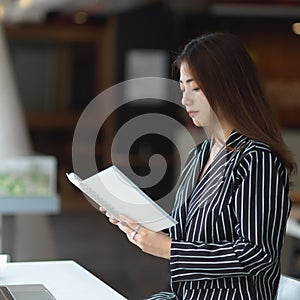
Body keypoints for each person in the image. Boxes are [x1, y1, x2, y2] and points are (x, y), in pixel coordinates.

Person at [101, 32, 296, 299]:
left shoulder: (257, 159)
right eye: (182, 89)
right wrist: (139, 221)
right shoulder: (201, 154)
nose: (185, 101)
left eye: (195, 88)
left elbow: (256, 254)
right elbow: (192, 231)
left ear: (227, 86)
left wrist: (170, 248)